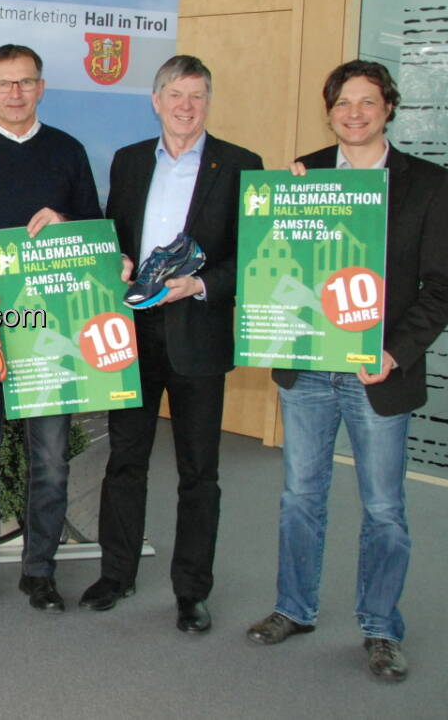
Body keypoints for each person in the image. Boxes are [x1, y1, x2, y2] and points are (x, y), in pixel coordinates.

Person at [246, 60, 448, 682]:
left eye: (368, 102)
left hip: (379, 373)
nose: (355, 113)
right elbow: (274, 265)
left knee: (384, 508)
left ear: (388, 107)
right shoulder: (302, 175)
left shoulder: (425, 183)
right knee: (298, 498)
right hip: (308, 369)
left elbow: (442, 287)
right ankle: (295, 608)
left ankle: (380, 628)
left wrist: (394, 352)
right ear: (330, 110)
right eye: (343, 103)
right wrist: (275, 209)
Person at [80, 55, 263, 633]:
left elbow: (249, 255)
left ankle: (191, 591)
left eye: (198, 96)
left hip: (198, 334)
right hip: (134, 333)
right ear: (156, 101)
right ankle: (117, 573)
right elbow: (116, 234)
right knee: (125, 460)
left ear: (208, 103)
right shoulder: (130, 161)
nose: (186, 107)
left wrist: (202, 283)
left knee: (198, 471)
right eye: (176, 95)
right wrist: (120, 259)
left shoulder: (239, 165)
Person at [0, 43, 101, 612]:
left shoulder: (68, 151)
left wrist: (68, 221)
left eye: (25, 82)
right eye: (3, 84)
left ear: (41, 87)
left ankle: (40, 570)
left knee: (50, 456)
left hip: (49, 327)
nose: (15, 93)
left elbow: (95, 235)